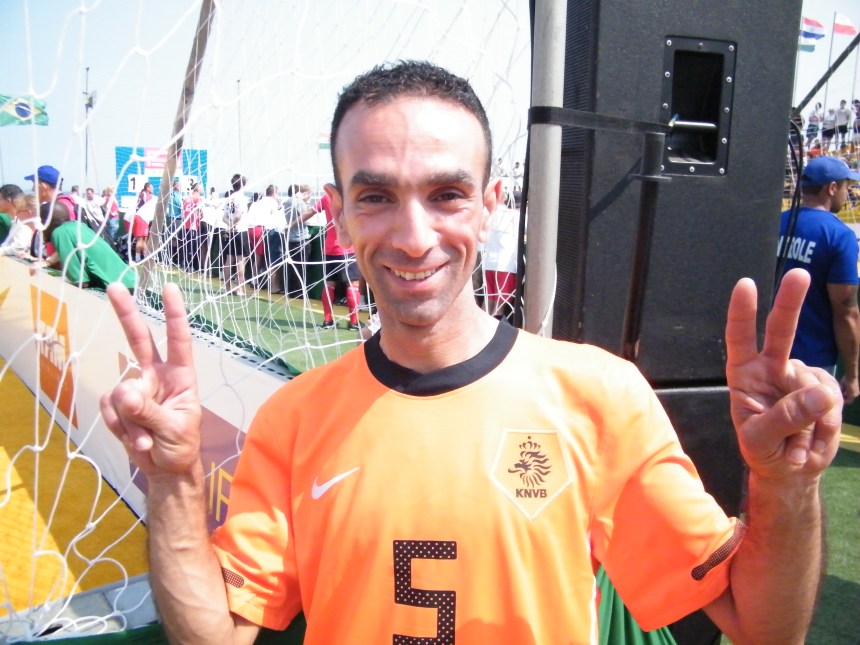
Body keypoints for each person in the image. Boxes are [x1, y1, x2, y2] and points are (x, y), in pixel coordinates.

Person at [101, 61, 840, 645]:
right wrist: (172, 481)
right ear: (338, 213)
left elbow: (764, 625)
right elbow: (214, 635)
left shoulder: (599, 396)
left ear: (490, 203)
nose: (414, 236)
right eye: (377, 196)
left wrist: (786, 485)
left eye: (447, 193)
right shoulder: (294, 418)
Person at [777, 155, 860, 402]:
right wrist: (853, 375)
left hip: (769, 353)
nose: (848, 193)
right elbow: (846, 311)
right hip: (814, 364)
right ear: (832, 188)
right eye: (847, 186)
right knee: (811, 437)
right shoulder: (838, 236)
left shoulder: (777, 223)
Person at [32, 202, 135, 291]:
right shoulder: (78, 225)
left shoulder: (59, 232)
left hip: (118, 288)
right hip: (130, 281)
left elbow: (81, 281)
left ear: (47, 221)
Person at [304, 190, 361, 330]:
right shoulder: (350, 195)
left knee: (329, 284)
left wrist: (292, 224)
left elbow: (310, 212)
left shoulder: (326, 197)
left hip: (330, 248)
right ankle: (354, 322)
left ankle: (327, 321)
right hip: (348, 248)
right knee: (352, 285)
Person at [222, 173, 250, 293]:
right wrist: (234, 224)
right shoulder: (242, 199)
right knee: (240, 260)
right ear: (243, 185)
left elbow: (224, 217)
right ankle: (240, 288)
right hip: (240, 231)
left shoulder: (229, 198)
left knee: (229, 259)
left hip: (229, 231)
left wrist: (230, 225)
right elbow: (239, 215)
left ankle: (227, 287)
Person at [0, 192, 37, 257]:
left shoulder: (25, 229)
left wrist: (2, 251)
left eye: (18, 211)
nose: (16, 214)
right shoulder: (20, 224)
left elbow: (18, 248)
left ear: (29, 212)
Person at [132, 181, 154, 262]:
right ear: (147, 188)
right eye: (152, 188)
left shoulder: (148, 196)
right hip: (141, 217)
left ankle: (144, 257)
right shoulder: (144, 194)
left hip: (144, 218)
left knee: (145, 238)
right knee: (140, 239)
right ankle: (137, 258)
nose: (153, 189)